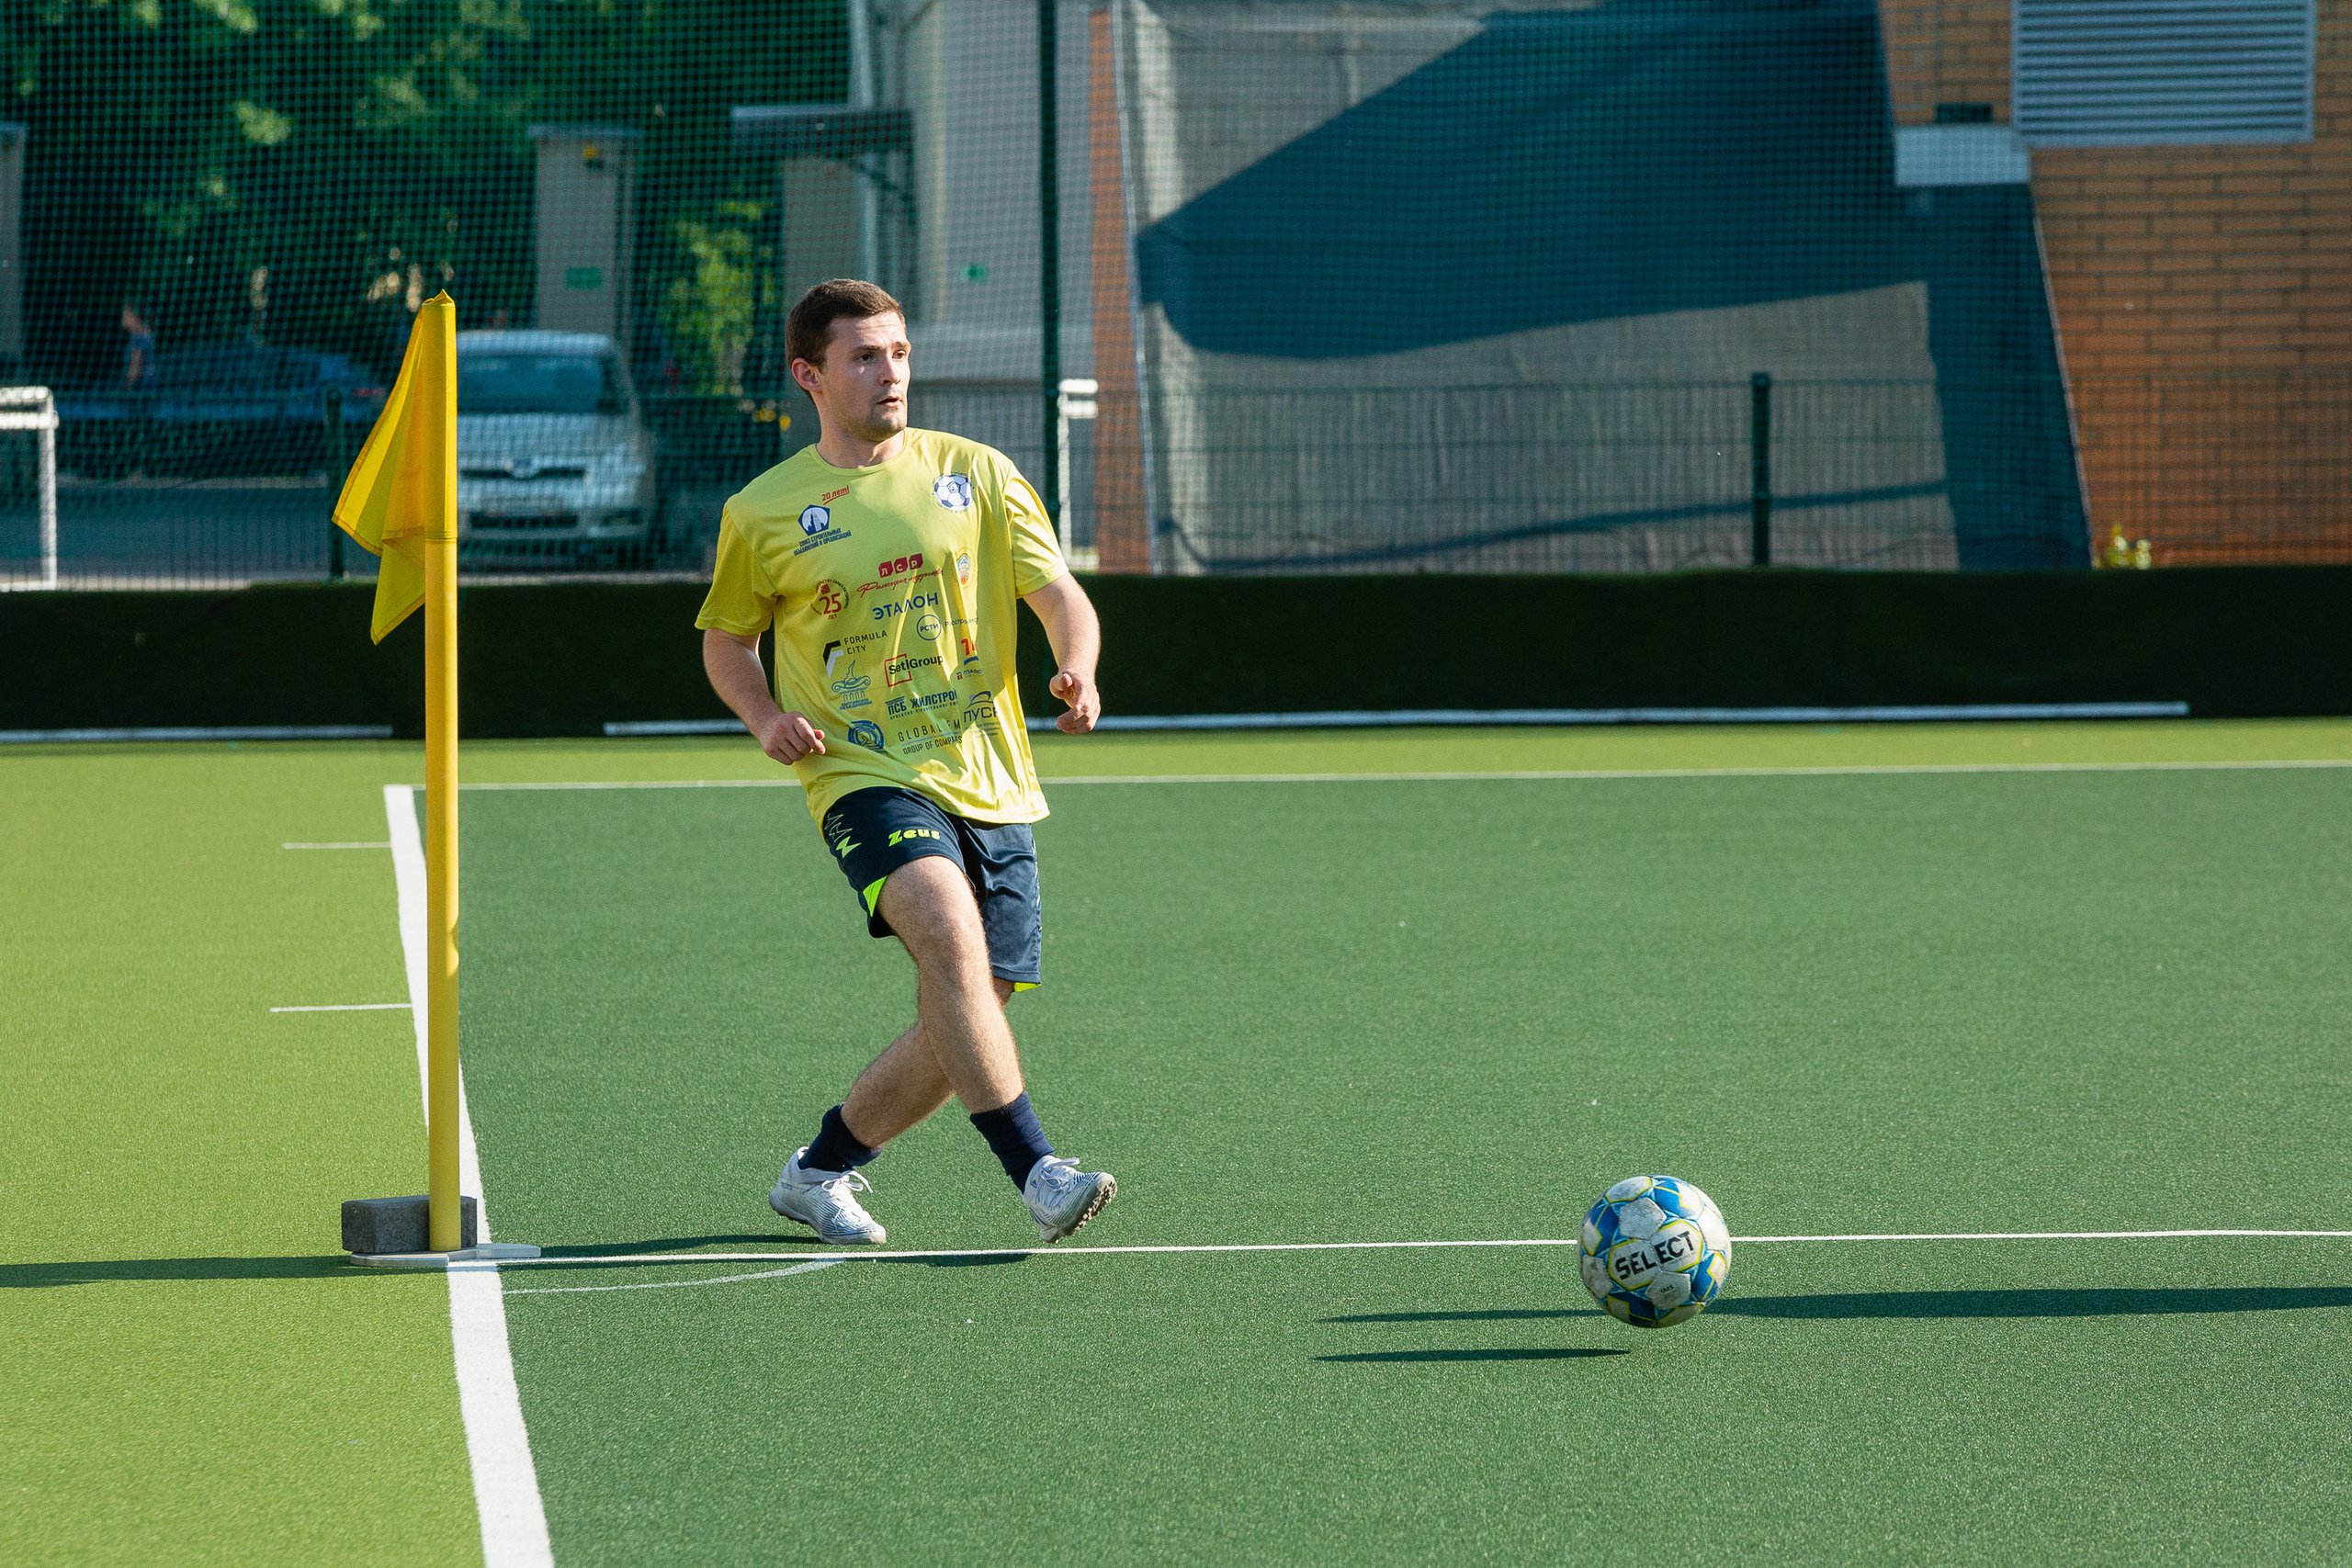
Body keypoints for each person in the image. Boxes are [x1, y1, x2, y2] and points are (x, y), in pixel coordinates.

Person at [696, 278, 1115, 1247]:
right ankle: (1039, 1172)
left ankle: (819, 1169)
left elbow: (1059, 594)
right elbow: (726, 641)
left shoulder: (977, 471)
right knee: (950, 943)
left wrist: (1078, 666)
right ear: (809, 375)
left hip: (990, 773)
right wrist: (764, 716)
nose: (890, 373)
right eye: (863, 357)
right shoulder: (763, 511)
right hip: (860, 772)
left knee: (970, 1009)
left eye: (898, 353)